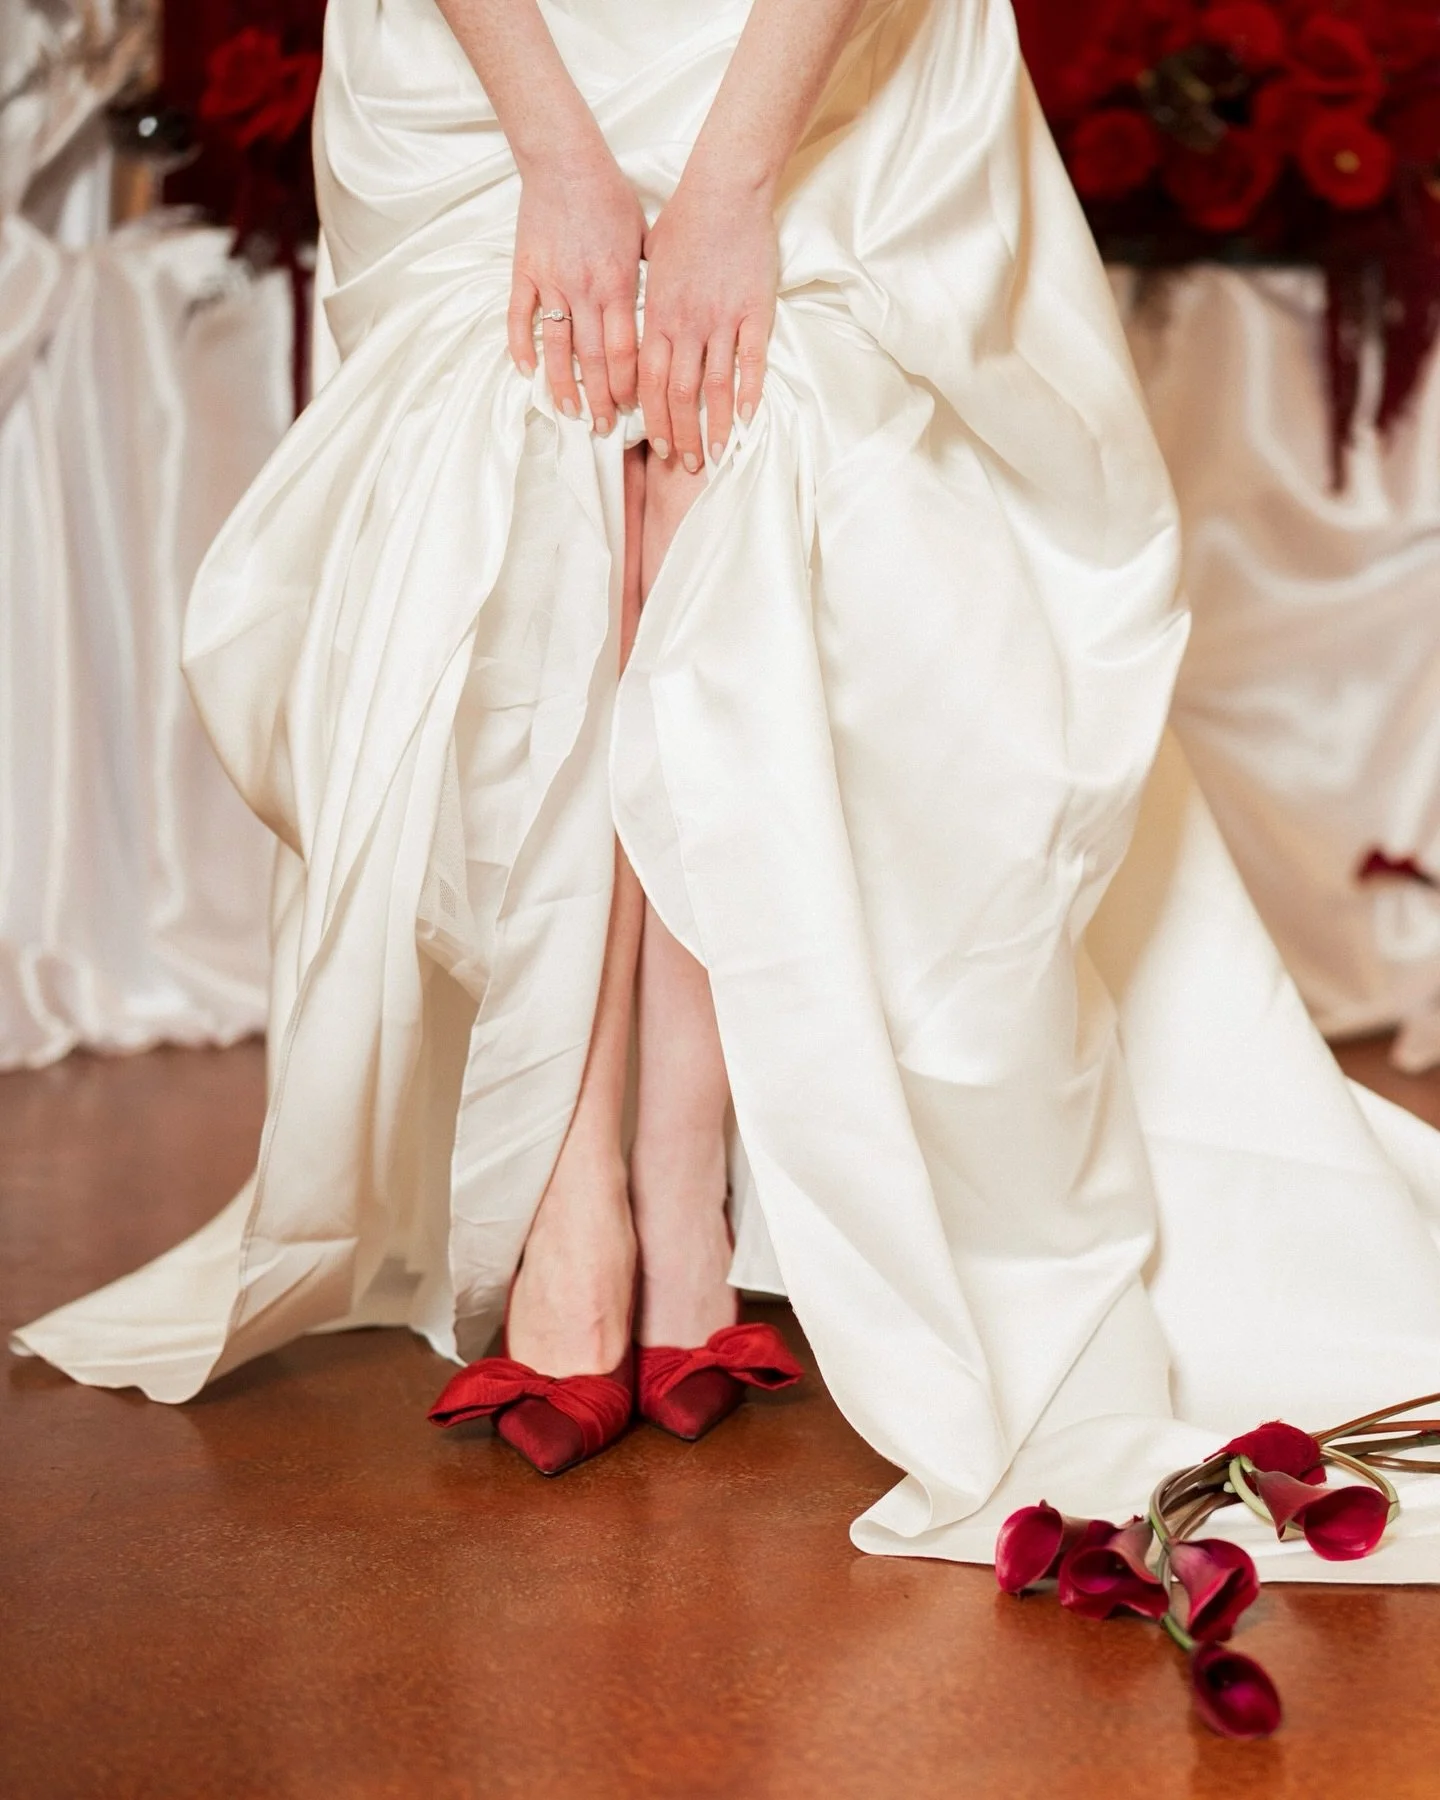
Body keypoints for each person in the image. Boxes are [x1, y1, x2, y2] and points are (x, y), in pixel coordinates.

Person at [15, 0, 1440, 1576]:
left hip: (807, 47)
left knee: (739, 478)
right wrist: (558, 158)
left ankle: (676, 1176)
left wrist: (731, 185)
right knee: (537, 502)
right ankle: (573, 1205)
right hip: (487, 51)